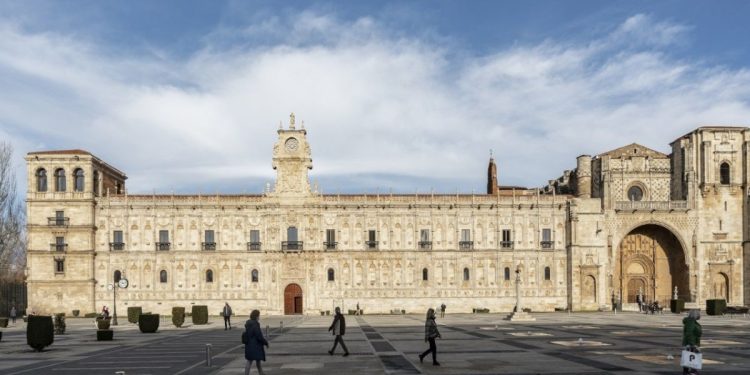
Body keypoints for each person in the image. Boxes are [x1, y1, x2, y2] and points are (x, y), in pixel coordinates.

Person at [243, 310, 269, 375]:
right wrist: (265, 342)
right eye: (258, 315)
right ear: (256, 316)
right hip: (255, 346)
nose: (259, 317)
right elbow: (259, 336)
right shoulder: (255, 324)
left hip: (249, 345)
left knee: (251, 361)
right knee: (255, 361)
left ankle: (261, 373)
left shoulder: (248, 324)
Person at [682, 309, 702, 375]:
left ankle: (686, 371)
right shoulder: (691, 322)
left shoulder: (690, 322)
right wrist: (693, 344)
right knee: (693, 357)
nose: (700, 315)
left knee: (687, 357)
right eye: (698, 314)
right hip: (691, 343)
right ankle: (693, 371)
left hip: (689, 342)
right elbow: (689, 333)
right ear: (695, 315)